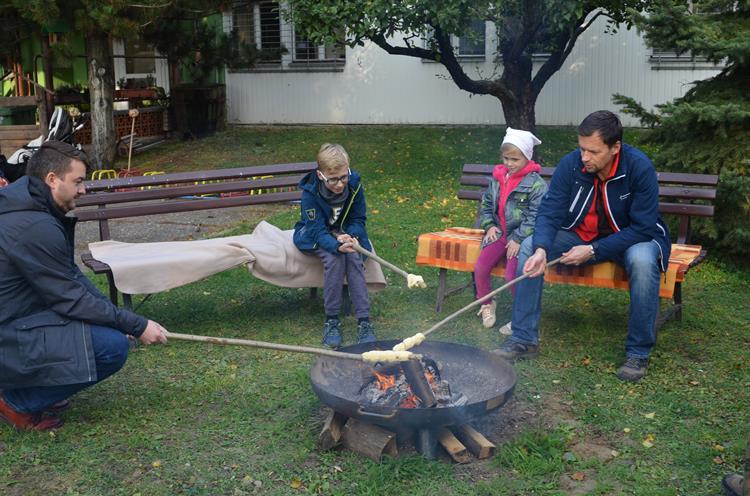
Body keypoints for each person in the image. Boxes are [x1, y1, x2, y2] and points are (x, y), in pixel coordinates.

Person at [0, 141, 168, 431]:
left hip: (19, 316)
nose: (83, 189)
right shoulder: (33, 225)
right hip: (8, 332)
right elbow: (70, 299)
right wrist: (135, 326)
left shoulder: (29, 204)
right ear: (52, 179)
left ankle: (33, 388)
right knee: (111, 348)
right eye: (78, 181)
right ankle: (17, 402)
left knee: (106, 331)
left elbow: (70, 278)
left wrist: (118, 319)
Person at [493, 111, 671, 382]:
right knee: (529, 247)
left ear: (615, 148)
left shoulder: (638, 167)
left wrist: (595, 250)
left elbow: (643, 228)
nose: (584, 157)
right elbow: (550, 211)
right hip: (580, 236)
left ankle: (638, 352)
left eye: (593, 151)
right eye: (581, 149)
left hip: (632, 238)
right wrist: (542, 248)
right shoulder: (572, 164)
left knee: (643, 261)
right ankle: (523, 339)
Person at [293, 143, 376, 348]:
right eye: (333, 179)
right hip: (315, 234)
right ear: (321, 175)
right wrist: (335, 245)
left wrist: (352, 236)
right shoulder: (310, 194)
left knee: (354, 257)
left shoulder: (354, 186)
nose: (340, 184)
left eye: (343, 177)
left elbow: (358, 218)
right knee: (335, 258)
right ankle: (332, 320)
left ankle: (364, 321)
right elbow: (316, 231)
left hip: (344, 232)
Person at [474, 128, 547, 332]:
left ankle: (520, 317)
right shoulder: (498, 179)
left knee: (512, 276)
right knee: (480, 268)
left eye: (514, 159)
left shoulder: (536, 185)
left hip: (521, 238)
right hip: (500, 233)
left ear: (527, 157)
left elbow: (536, 216)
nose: (509, 163)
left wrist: (518, 238)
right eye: (506, 158)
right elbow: (487, 204)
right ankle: (487, 303)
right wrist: (489, 225)